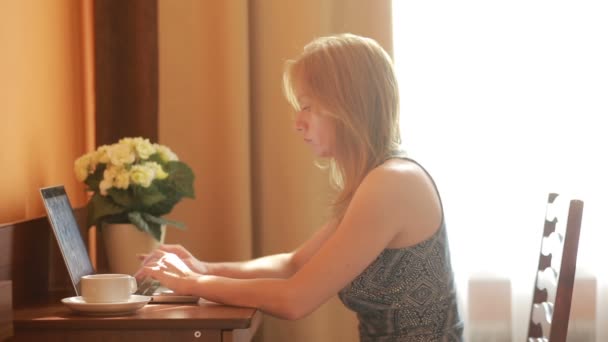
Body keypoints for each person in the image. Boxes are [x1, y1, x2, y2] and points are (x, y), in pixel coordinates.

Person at [136, 33, 463, 341]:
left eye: (307, 106)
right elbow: (294, 264)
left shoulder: (392, 183)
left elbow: (295, 299)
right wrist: (204, 268)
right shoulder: (379, 178)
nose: (297, 122)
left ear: (346, 106)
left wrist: (194, 283)